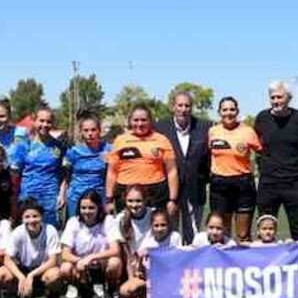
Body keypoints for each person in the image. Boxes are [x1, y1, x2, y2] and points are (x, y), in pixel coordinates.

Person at [254, 81, 298, 241]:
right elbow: (255, 146)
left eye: (279, 97)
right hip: (268, 184)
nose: (275, 101)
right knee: (265, 231)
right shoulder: (262, 118)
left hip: (294, 184)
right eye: (272, 97)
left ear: (289, 98)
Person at [156, 90, 212, 244]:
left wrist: (202, 178)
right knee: (170, 234)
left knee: (193, 235)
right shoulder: (160, 127)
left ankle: (191, 266)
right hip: (168, 192)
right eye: (180, 105)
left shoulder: (204, 127)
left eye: (187, 105)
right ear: (173, 107)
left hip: (195, 189)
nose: (183, 109)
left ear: (192, 108)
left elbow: (209, 158)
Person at [106, 105, 179, 223]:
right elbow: (112, 172)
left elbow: (172, 171)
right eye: (136, 120)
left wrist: (172, 199)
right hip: (125, 192)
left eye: (144, 120)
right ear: (130, 121)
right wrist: (109, 199)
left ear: (150, 121)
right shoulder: (120, 140)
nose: (139, 124)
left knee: (155, 231)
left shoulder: (162, 140)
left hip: (155, 193)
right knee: (127, 229)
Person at [207, 96, 262, 243]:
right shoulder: (212, 131)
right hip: (219, 185)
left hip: (243, 184)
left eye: (232, 109)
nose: (228, 113)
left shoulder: (248, 132)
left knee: (243, 234)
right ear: (219, 112)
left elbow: (262, 153)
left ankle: (244, 263)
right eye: (225, 110)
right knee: (221, 235)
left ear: (237, 111)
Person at [0, 198, 65, 298]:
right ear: (22, 218)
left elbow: (53, 261)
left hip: (42, 270)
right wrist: (21, 277)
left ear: (41, 217)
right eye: (27, 217)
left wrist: (31, 275)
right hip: (23, 269)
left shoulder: (50, 230)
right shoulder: (17, 233)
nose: (31, 220)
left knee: (55, 275)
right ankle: (15, 295)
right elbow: (7, 259)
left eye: (35, 216)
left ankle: (51, 296)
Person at [58, 190, 119, 298]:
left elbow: (115, 250)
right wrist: (80, 261)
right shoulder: (73, 222)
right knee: (65, 267)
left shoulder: (108, 221)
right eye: (83, 208)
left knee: (114, 262)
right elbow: (65, 254)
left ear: (98, 208)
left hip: (101, 265)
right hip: (80, 267)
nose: (87, 211)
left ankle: (110, 291)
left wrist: (91, 258)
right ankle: (77, 290)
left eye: (91, 208)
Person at [12, 106, 66, 229]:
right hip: (28, 195)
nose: (45, 124)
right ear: (35, 121)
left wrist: (62, 194)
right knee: (29, 232)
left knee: (50, 232)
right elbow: (15, 174)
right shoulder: (23, 145)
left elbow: (63, 173)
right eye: (41, 121)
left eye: (48, 121)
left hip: (50, 197)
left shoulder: (58, 146)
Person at [116, 208, 181, 298]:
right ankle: (144, 293)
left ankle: (146, 295)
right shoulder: (148, 242)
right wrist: (140, 262)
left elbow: (177, 256)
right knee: (126, 293)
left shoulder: (175, 237)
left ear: (169, 225)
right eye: (156, 226)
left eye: (163, 225)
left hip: (169, 277)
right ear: (151, 227)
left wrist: (152, 252)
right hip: (149, 279)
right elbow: (139, 269)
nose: (160, 229)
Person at [62, 112, 110, 218]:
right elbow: (66, 177)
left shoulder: (108, 149)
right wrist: (61, 195)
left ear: (99, 130)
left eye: (93, 130)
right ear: (81, 132)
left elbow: (112, 174)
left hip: (99, 197)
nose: (90, 133)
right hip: (76, 197)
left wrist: (109, 199)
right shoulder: (73, 152)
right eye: (86, 130)